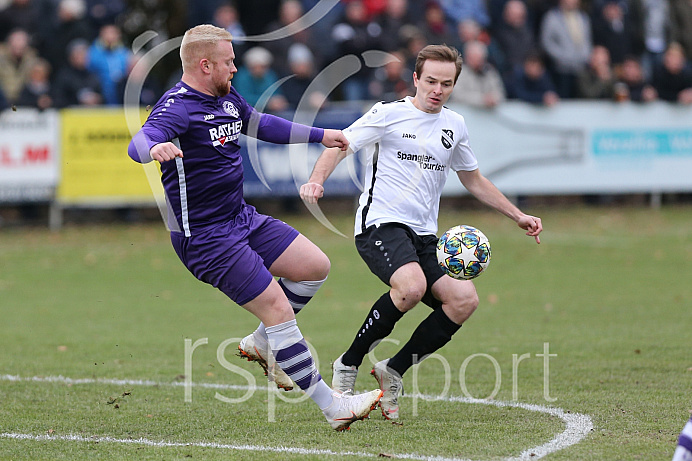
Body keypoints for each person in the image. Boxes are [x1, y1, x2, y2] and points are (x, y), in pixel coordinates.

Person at [126, 24, 382, 431]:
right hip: (207, 238)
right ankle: (332, 405)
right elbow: (138, 142)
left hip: (240, 218)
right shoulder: (176, 107)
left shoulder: (224, 98)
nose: (234, 68)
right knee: (280, 310)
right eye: (228, 62)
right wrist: (153, 147)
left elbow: (261, 124)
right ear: (205, 64)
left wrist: (321, 135)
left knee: (314, 266)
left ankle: (262, 341)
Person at [300, 44, 542, 421]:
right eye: (430, 81)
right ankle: (347, 365)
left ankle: (393, 370)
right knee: (410, 288)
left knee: (464, 300)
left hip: (425, 236)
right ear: (415, 78)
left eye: (446, 84)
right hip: (380, 223)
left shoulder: (454, 125)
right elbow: (340, 146)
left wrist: (517, 214)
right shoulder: (388, 114)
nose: (437, 90)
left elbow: (472, 178)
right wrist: (316, 181)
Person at [451, 40, 505, 108]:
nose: (478, 62)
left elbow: (500, 92)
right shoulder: (459, 73)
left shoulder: (490, 72)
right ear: (467, 57)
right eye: (474, 58)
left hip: (488, 114)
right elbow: (457, 95)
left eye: (480, 59)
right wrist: (482, 100)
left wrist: (494, 98)